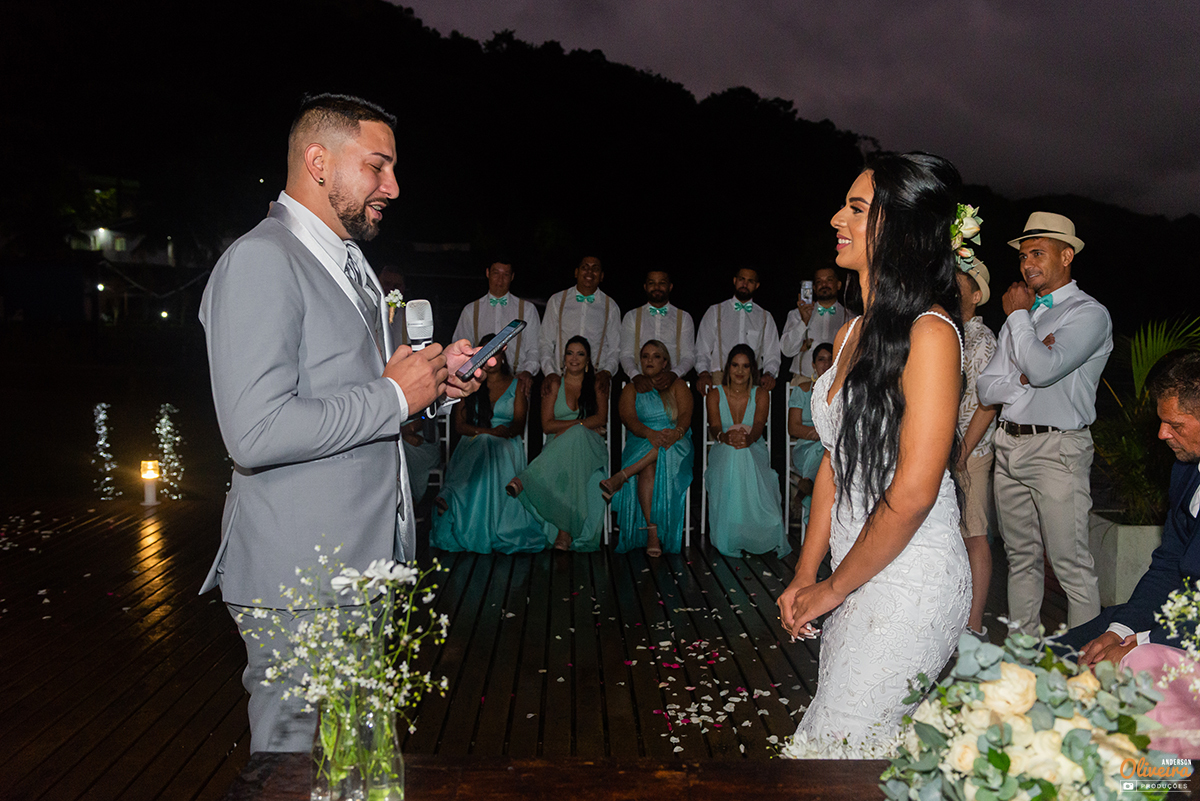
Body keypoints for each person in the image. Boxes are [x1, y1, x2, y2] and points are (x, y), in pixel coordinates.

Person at [197, 93, 485, 752]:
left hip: (361, 566)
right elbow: (255, 431)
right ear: (318, 161)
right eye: (377, 166)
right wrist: (394, 397)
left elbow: (358, 385)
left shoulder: (348, 259)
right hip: (302, 575)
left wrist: (433, 381)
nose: (393, 186)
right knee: (294, 770)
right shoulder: (261, 260)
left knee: (353, 762)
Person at [777, 152, 971, 758]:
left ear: (902, 228)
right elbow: (835, 463)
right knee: (857, 756)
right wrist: (807, 572)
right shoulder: (849, 335)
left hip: (910, 578)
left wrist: (832, 588)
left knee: (837, 749)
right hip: (854, 572)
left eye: (857, 209)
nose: (837, 218)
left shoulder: (931, 334)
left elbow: (913, 494)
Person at [977, 212, 1113, 634]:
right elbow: (986, 387)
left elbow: (1043, 369)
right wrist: (1022, 371)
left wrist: (1019, 322)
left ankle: (1084, 663)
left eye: (1037, 253)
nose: (1027, 264)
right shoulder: (1026, 315)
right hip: (1008, 445)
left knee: (1071, 564)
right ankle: (1023, 655)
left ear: (1067, 256)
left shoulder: (1088, 314)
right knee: (1020, 559)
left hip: (1057, 450)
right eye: (1023, 256)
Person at [1060, 350, 1200, 757]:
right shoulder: (1185, 470)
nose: (1161, 434)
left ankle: (1154, 777)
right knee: (1060, 654)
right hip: (1175, 616)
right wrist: (1121, 630)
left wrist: (1139, 644)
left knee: (1126, 674)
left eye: (1175, 425)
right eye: (1161, 421)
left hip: (1186, 635)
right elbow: (1169, 563)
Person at [431, 335, 544, 553]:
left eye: (496, 352)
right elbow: (460, 426)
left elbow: (519, 424)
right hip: (474, 439)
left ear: (503, 356)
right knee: (483, 441)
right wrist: (488, 432)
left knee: (489, 444)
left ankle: (453, 497)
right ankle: (456, 501)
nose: (492, 357)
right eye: (486, 352)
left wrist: (497, 434)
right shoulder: (469, 382)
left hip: (505, 443)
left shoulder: (516, 384)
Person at [508, 335, 610, 551]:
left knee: (578, 434)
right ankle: (565, 532)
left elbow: (601, 419)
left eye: (580, 354)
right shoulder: (554, 384)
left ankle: (526, 480)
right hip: (558, 446)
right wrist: (582, 424)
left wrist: (573, 427)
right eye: (569, 353)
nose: (574, 358)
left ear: (588, 360)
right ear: (563, 358)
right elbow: (547, 426)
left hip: (591, 447)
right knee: (576, 435)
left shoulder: (596, 385)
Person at [604, 340, 695, 556]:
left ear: (665, 363)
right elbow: (629, 419)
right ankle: (652, 532)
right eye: (645, 356)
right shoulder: (631, 389)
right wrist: (649, 434)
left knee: (663, 447)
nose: (649, 360)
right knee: (647, 467)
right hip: (642, 439)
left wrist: (676, 432)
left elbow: (685, 415)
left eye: (655, 356)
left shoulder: (677, 385)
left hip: (676, 440)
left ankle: (622, 476)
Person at [704, 344, 788, 557]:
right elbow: (715, 427)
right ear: (728, 368)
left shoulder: (761, 394)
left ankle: (753, 527)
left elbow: (759, 425)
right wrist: (726, 437)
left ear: (752, 369)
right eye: (735, 365)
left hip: (754, 446)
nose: (739, 371)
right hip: (723, 448)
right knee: (734, 451)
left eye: (745, 366)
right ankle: (733, 531)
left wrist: (748, 439)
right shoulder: (714, 394)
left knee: (741, 451)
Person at [955, 259, 998, 638]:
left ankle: (974, 623)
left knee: (974, 535)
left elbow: (989, 402)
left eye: (957, 285)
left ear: (976, 294)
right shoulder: (948, 332)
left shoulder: (983, 339)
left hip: (971, 454)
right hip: (946, 452)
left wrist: (963, 451)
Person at [451, 258, 541, 398]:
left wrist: (527, 371)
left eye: (506, 274)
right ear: (487, 273)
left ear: (512, 277)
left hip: (516, 382)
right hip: (478, 383)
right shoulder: (470, 310)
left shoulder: (527, 310)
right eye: (496, 273)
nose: (500, 279)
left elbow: (534, 349)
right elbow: (460, 349)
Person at [539, 256, 621, 395]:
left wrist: (607, 372)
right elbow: (545, 341)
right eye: (585, 267)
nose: (589, 272)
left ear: (601, 276)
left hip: (596, 382)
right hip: (560, 379)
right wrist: (550, 372)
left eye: (595, 269)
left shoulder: (610, 306)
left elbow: (615, 348)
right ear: (576, 272)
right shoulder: (557, 301)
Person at [694, 267, 782, 395]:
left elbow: (772, 354)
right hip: (720, 378)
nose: (745, 284)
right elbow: (702, 349)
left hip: (752, 380)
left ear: (756, 285)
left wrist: (769, 373)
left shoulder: (765, 317)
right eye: (742, 279)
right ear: (734, 281)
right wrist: (703, 373)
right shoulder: (715, 312)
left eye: (750, 281)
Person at [619, 270, 696, 386]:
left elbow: (688, 356)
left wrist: (673, 374)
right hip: (640, 384)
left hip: (672, 384)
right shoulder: (631, 316)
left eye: (662, 283)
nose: (657, 287)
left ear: (670, 287)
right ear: (645, 287)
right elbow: (626, 354)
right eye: (652, 283)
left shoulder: (684, 317)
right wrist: (636, 376)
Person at [788, 341, 834, 518]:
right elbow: (793, 427)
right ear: (814, 365)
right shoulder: (802, 390)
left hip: (833, 447)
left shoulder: (843, 391)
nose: (826, 363)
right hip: (806, 447)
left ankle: (805, 489)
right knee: (822, 452)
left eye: (830, 359)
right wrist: (819, 434)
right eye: (821, 359)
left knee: (828, 452)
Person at [779, 267, 848, 381]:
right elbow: (787, 351)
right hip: (803, 381)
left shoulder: (850, 317)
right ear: (814, 288)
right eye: (819, 281)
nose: (824, 285)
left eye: (829, 280)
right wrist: (803, 322)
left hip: (838, 382)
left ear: (838, 285)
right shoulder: (796, 314)